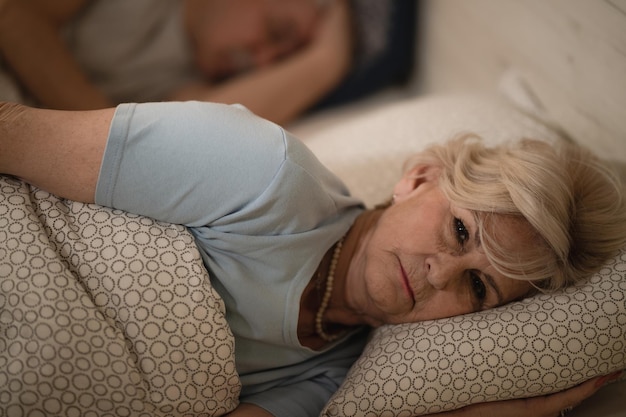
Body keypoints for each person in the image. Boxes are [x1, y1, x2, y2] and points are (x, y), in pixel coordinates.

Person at [1, 99, 625, 417]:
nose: (441, 272)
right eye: (461, 231)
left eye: (480, 289)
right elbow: (10, 130)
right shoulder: (263, 174)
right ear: (420, 177)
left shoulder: (334, 375)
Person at [0, 0, 355, 125]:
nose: (263, 64)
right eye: (277, 32)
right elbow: (12, 14)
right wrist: (101, 127)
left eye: (280, 63)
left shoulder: (190, 77)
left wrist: (326, 63)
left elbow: (194, 137)